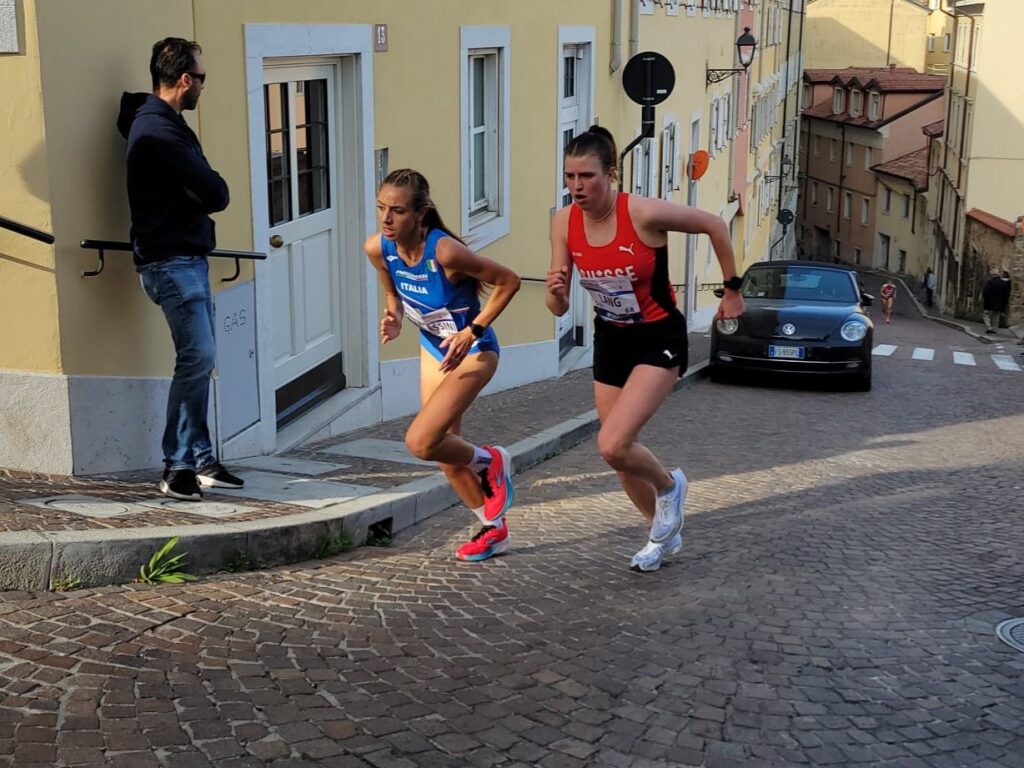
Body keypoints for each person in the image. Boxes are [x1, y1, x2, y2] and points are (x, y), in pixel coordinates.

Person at [546, 126, 744, 573]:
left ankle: (670, 487)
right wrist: (556, 293)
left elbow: (714, 224)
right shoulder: (563, 222)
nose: (576, 187)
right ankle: (662, 533)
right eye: (569, 176)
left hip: (659, 339)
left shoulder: (641, 213)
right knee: (619, 458)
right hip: (611, 339)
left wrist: (732, 290)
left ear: (610, 174)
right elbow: (557, 303)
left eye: (587, 176)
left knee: (612, 443)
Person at [364, 169, 521, 562]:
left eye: (397, 211)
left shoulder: (445, 252)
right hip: (434, 350)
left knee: (419, 441)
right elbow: (392, 290)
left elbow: (510, 281)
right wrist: (394, 314)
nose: (386, 219)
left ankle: (490, 460)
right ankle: (493, 529)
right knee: (442, 454)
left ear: (420, 214)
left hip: (474, 352)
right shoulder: (377, 248)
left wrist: (473, 329)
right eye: (381, 208)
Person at [118, 37, 244, 501]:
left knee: (201, 360)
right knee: (198, 359)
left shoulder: (162, 124)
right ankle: (177, 466)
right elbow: (216, 193)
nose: (204, 88)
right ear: (185, 79)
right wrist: (200, 188)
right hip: (170, 262)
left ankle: (202, 459)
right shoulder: (160, 132)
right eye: (203, 78)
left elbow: (205, 187)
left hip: (183, 258)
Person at [982, 269, 1005, 334]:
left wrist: (985, 298)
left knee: (986, 314)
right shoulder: (1003, 283)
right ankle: (995, 329)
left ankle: (989, 327)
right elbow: (1005, 294)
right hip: (998, 302)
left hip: (989, 302)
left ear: (992, 275)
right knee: (996, 316)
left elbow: (985, 292)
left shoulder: (989, 282)